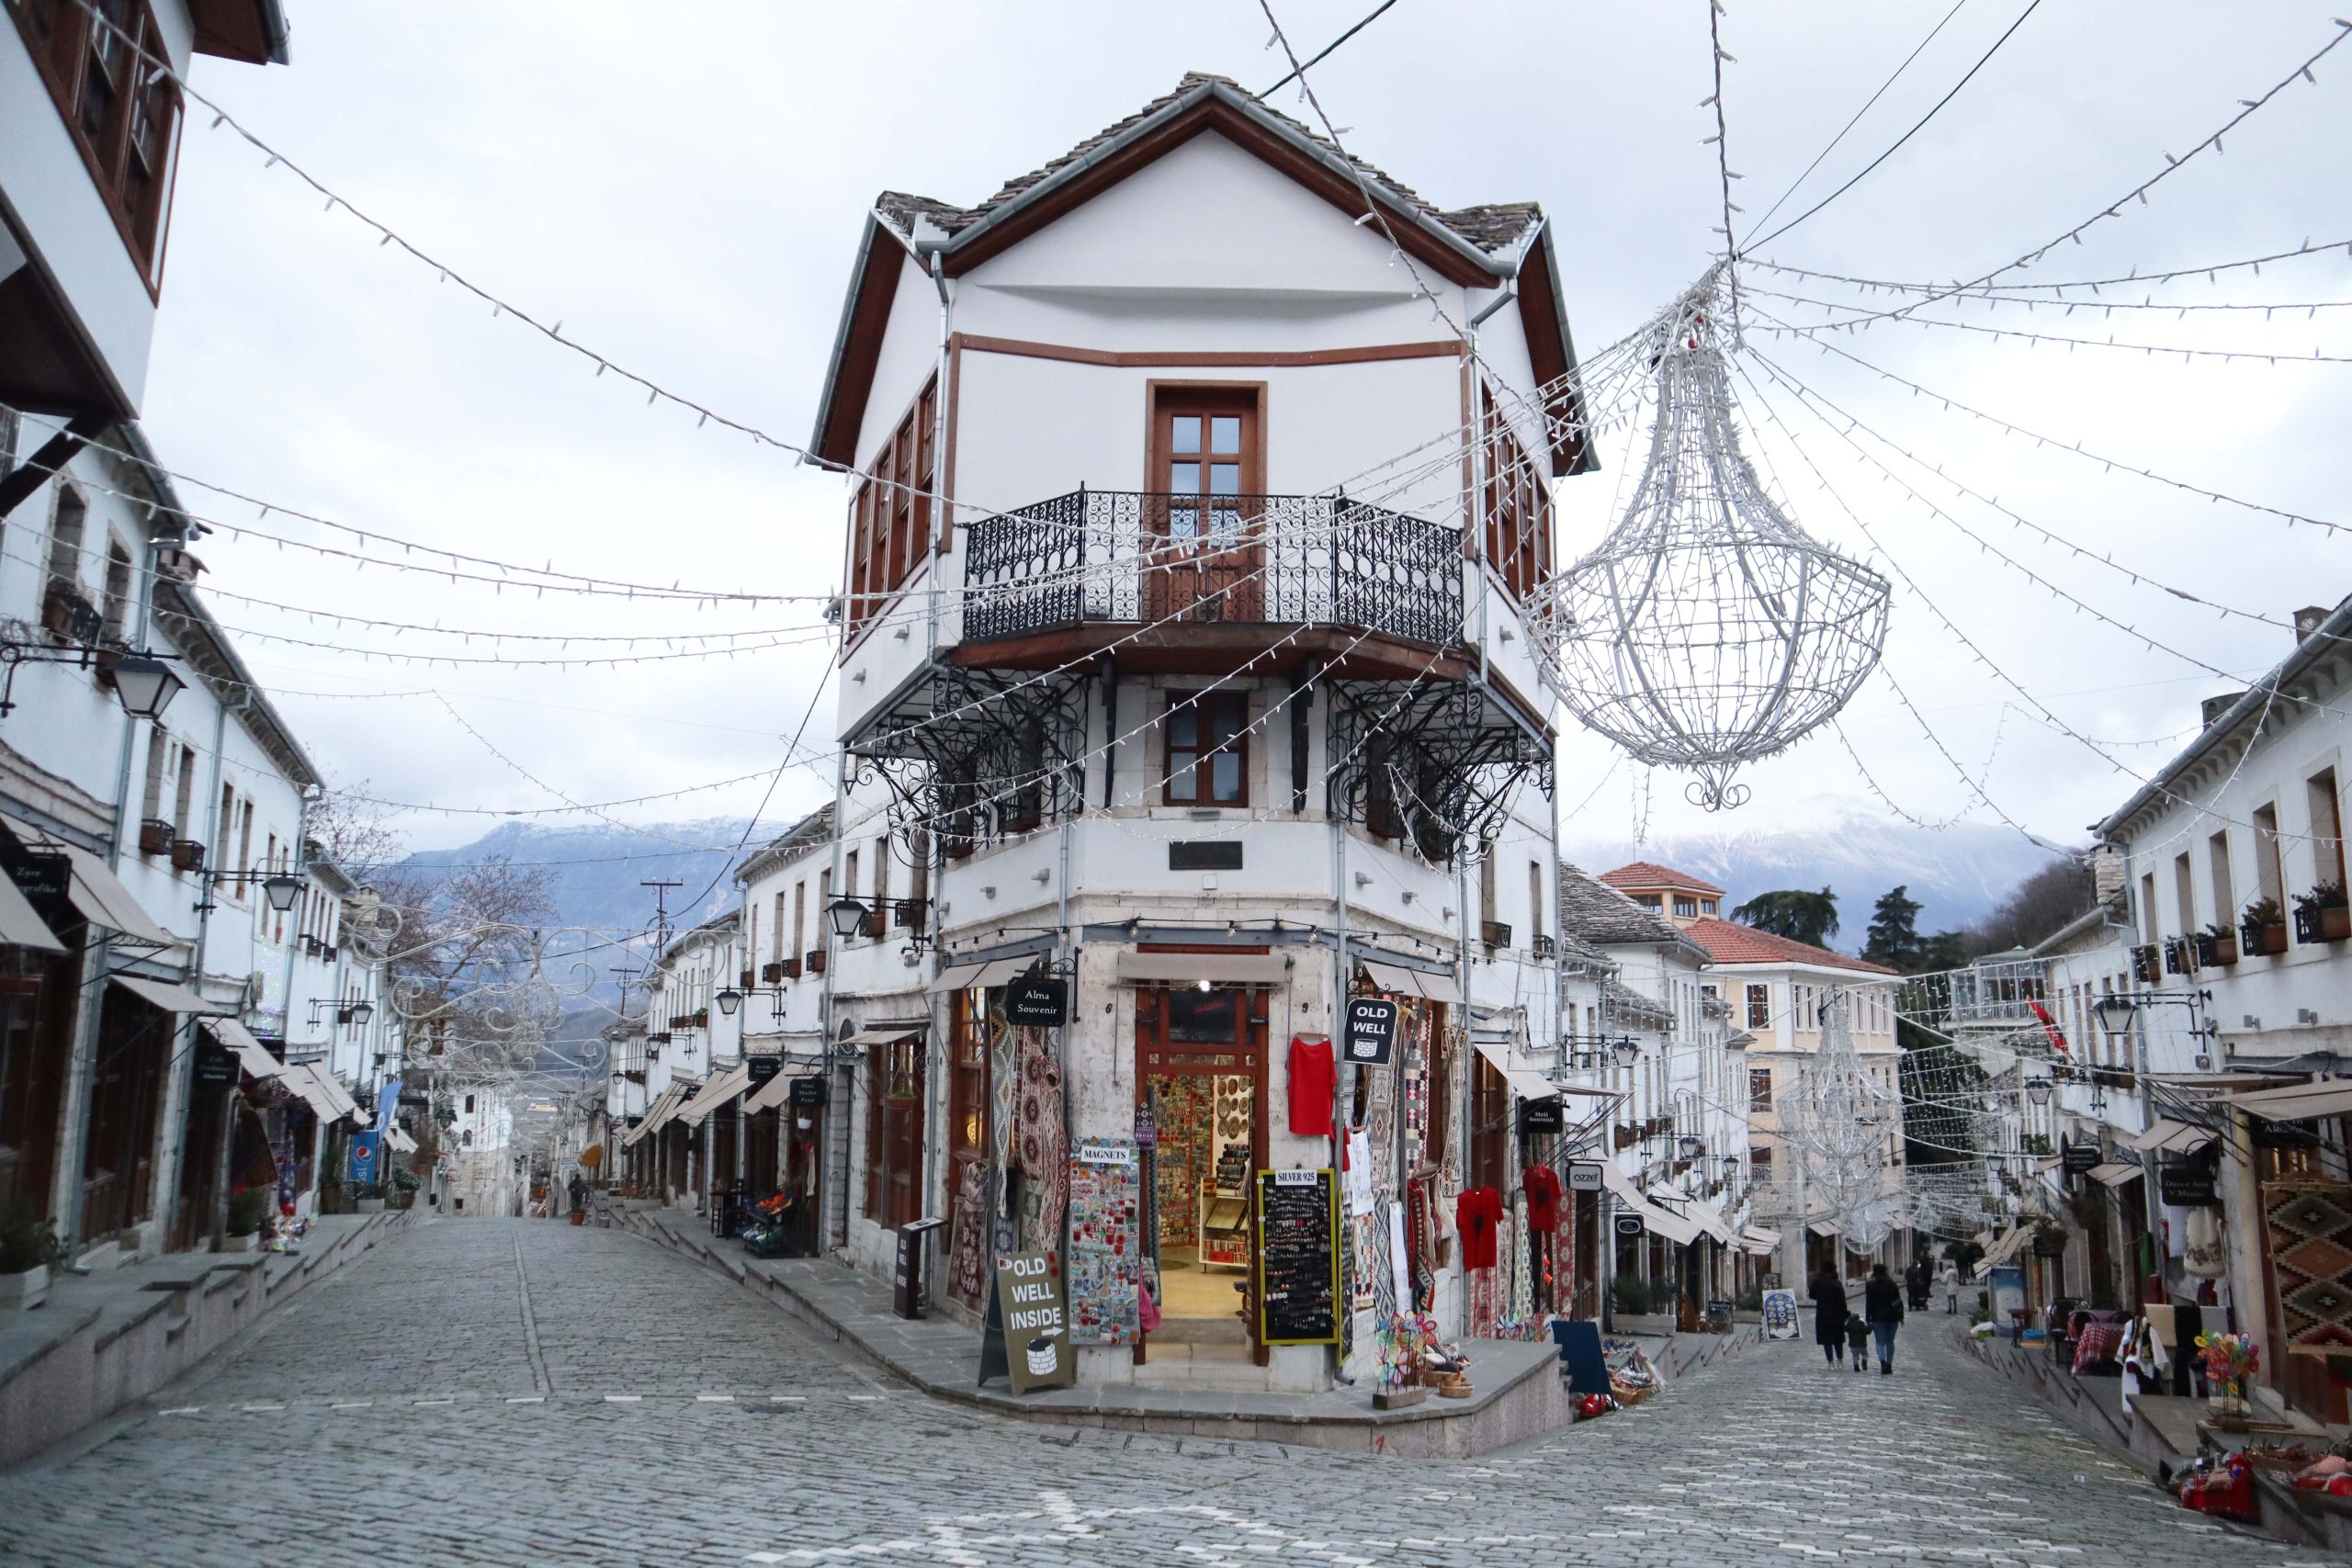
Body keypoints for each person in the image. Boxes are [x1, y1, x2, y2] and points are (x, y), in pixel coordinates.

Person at [1865, 1260, 1906, 1374]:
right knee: (1890, 1341)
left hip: (1877, 1317)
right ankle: (1889, 1364)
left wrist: (1868, 1318)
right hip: (1892, 1316)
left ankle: (1882, 1362)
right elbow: (1898, 1301)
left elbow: (1869, 1303)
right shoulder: (1892, 1283)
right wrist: (1901, 1316)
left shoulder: (1870, 1284)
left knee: (1880, 1342)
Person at [1810, 1265, 1849, 1369]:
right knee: (1838, 1339)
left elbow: (1811, 1295)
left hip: (1822, 1313)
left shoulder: (1817, 1282)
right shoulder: (1837, 1283)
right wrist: (1845, 1314)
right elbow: (1842, 1301)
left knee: (1826, 1339)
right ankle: (1840, 1360)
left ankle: (1830, 1362)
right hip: (1836, 1314)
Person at [1845, 1305, 1872, 1371]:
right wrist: (1870, 1325)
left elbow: (1844, 1328)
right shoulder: (1861, 1325)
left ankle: (1856, 1366)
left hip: (1852, 1345)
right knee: (1865, 1354)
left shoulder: (1849, 1326)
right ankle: (1864, 1362)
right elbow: (1868, 1331)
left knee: (1855, 1356)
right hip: (1862, 1345)